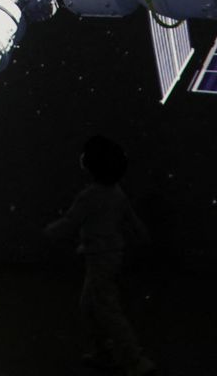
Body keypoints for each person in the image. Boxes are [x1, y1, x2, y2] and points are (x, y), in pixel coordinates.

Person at [44, 135, 156, 376]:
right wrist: (143, 236)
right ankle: (105, 354)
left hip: (100, 258)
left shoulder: (90, 196)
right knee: (91, 306)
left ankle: (135, 360)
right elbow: (132, 221)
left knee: (105, 308)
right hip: (108, 257)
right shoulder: (116, 193)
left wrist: (49, 232)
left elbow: (71, 222)